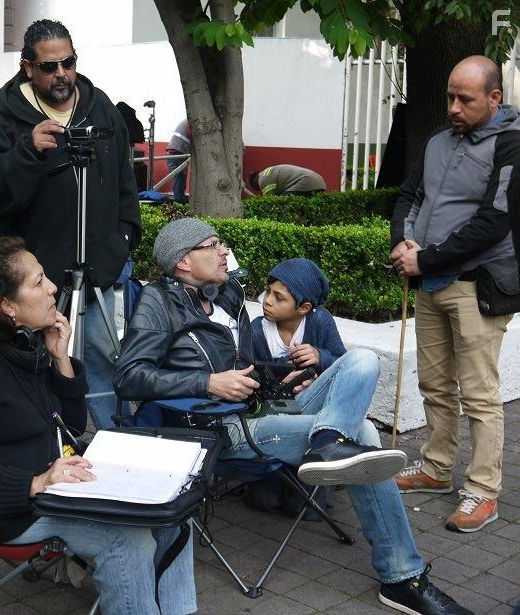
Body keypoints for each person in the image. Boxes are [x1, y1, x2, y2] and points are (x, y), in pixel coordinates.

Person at [114, 218, 474, 615]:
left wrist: (289, 375)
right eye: (213, 244)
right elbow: (129, 376)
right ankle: (403, 577)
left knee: (362, 360)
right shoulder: (157, 302)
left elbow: (247, 359)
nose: (223, 251)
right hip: (221, 427)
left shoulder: (228, 291)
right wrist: (207, 383)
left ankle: (327, 443)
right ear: (183, 261)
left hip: (265, 404)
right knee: (366, 434)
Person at [0, 237, 196, 615]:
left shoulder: (27, 346)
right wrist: (35, 482)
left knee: (173, 514)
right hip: (1, 508)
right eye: (37, 283)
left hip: (56, 486)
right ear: (8, 306)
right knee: (126, 539)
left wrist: (61, 360)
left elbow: (68, 427)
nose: (53, 287)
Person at [0, 19, 141, 432]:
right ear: (28, 67)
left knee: (99, 356)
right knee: (32, 358)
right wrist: (27, 149)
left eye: (68, 62)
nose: (61, 73)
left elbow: (125, 183)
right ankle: (41, 442)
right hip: (33, 276)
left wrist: (125, 237)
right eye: (49, 66)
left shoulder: (100, 107)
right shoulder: (6, 114)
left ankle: (114, 445)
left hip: (98, 264)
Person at [390, 55, 519, 533]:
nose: (454, 107)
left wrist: (425, 259)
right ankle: (436, 468)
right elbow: (409, 197)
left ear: (494, 98)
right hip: (430, 283)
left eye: (465, 99)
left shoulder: (511, 144)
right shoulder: (437, 141)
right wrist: (402, 242)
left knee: (481, 395)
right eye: (450, 96)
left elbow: (495, 221)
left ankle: (483, 492)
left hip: (477, 286)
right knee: (435, 384)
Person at [251, 258, 346, 372]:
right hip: (275, 390)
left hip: (315, 388)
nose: (267, 301)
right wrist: (285, 370)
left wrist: (319, 357)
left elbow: (344, 363)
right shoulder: (257, 330)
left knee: (365, 359)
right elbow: (248, 374)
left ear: (304, 308)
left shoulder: (319, 320)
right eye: (267, 291)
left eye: (278, 297)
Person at [247, 164, 326, 196]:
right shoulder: (269, 171)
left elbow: (270, 200)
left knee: (284, 200)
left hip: (305, 181)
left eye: (256, 187)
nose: (260, 189)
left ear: (255, 181)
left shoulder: (263, 179)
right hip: (320, 182)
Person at [166, 118, 190, 202]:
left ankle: (179, 200)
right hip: (178, 152)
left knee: (178, 178)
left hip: (175, 152)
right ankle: (179, 201)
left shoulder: (187, 121)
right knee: (179, 177)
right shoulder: (192, 122)